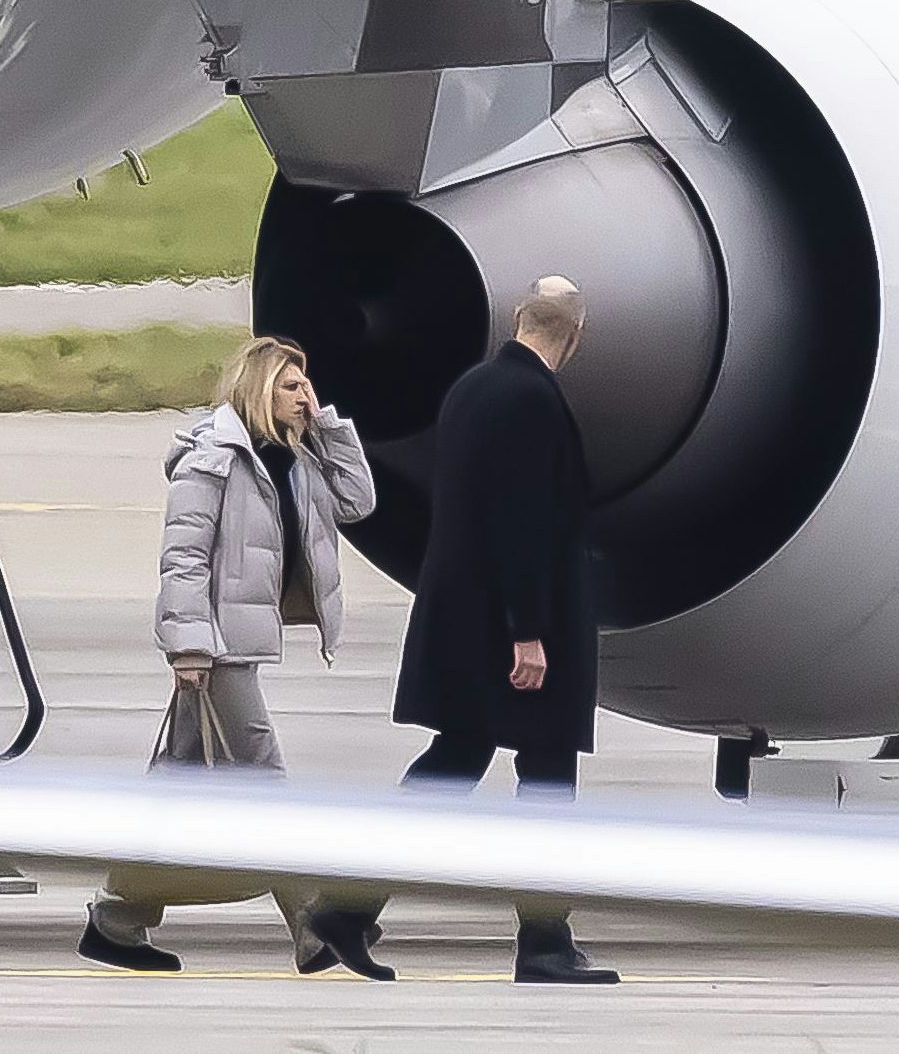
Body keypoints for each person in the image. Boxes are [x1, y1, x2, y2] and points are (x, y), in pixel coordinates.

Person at [308, 276, 618, 986]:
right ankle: (543, 943)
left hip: (464, 619)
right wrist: (529, 631)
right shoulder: (531, 400)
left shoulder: (472, 389)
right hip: (511, 629)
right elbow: (522, 522)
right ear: (575, 334)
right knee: (543, 780)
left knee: (454, 762)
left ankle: (349, 908)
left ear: (517, 318)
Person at [77, 336, 377, 974]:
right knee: (264, 776)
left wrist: (326, 426)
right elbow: (183, 559)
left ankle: (116, 918)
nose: (305, 395)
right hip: (215, 651)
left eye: (306, 386)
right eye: (292, 387)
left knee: (173, 789)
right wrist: (189, 644)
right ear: (259, 390)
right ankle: (312, 927)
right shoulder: (209, 461)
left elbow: (358, 501)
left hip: (236, 645)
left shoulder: (294, 460)